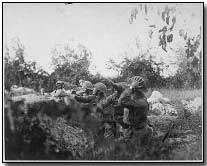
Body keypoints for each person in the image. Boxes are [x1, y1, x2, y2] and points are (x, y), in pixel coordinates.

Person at [118, 76, 153, 141]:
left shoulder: (137, 101)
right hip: (141, 129)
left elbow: (121, 100)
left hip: (137, 133)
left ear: (134, 90)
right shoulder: (142, 99)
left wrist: (131, 87)